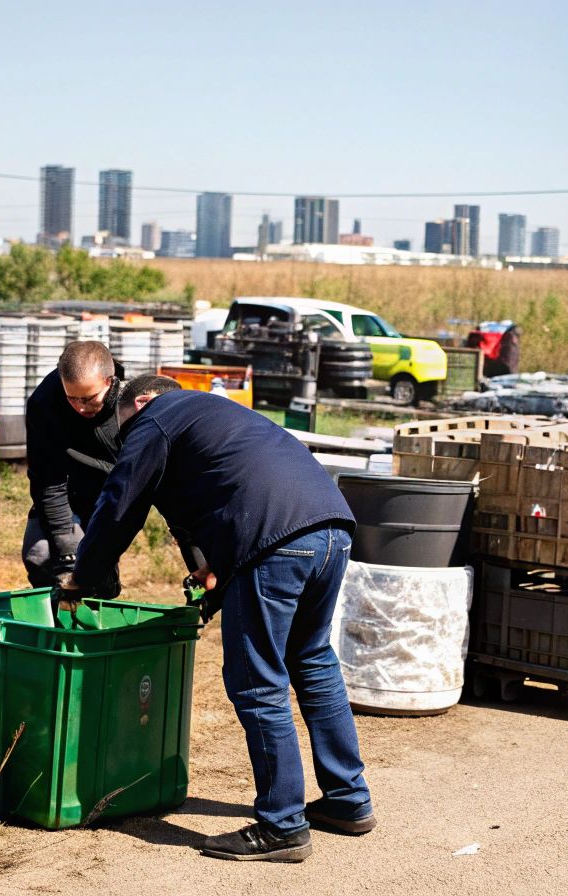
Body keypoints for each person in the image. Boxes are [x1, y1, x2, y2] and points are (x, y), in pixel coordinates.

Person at [59, 374, 374, 863]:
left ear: (141, 401)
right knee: (313, 662)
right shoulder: (217, 418)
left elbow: (121, 503)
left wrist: (83, 576)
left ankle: (282, 826)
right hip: (331, 527)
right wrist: (217, 570)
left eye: (126, 432)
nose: (127, 441)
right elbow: (225, 496)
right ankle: (348, 800)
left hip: (277, 540)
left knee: (257, 682)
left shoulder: (156, 416)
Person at [21, 340, 125, 588]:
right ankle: (55, 623)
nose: (80, 407)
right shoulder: (43, 406)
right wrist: (65, 542)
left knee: (94, 573)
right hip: (64, 489)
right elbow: (48, 481)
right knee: (40, 555)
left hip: (108, 497)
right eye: (72, 398)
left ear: (108, 382)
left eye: (89, 399)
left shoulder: (130, 404)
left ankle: (104, 598)